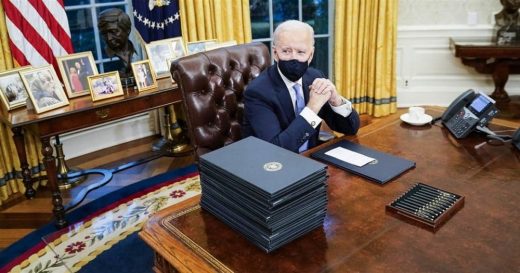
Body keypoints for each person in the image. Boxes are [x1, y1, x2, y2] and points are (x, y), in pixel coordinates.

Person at [242, 20, 360, 153]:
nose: (294, 58)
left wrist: (336, 101)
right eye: (286, 51)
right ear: (275, 53)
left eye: (301, 52)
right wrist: (313, 107)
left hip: (312, 158)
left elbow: (351, 128)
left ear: (311, 54)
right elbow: (276, 150)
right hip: (272, 164)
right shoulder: (258, 92)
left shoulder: (315, 77)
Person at [98, 8, 136, 78]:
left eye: (114, 32)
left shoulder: (137, 52)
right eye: (104, 34)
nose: (109, 38)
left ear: (127, 30)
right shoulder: (100, 58)